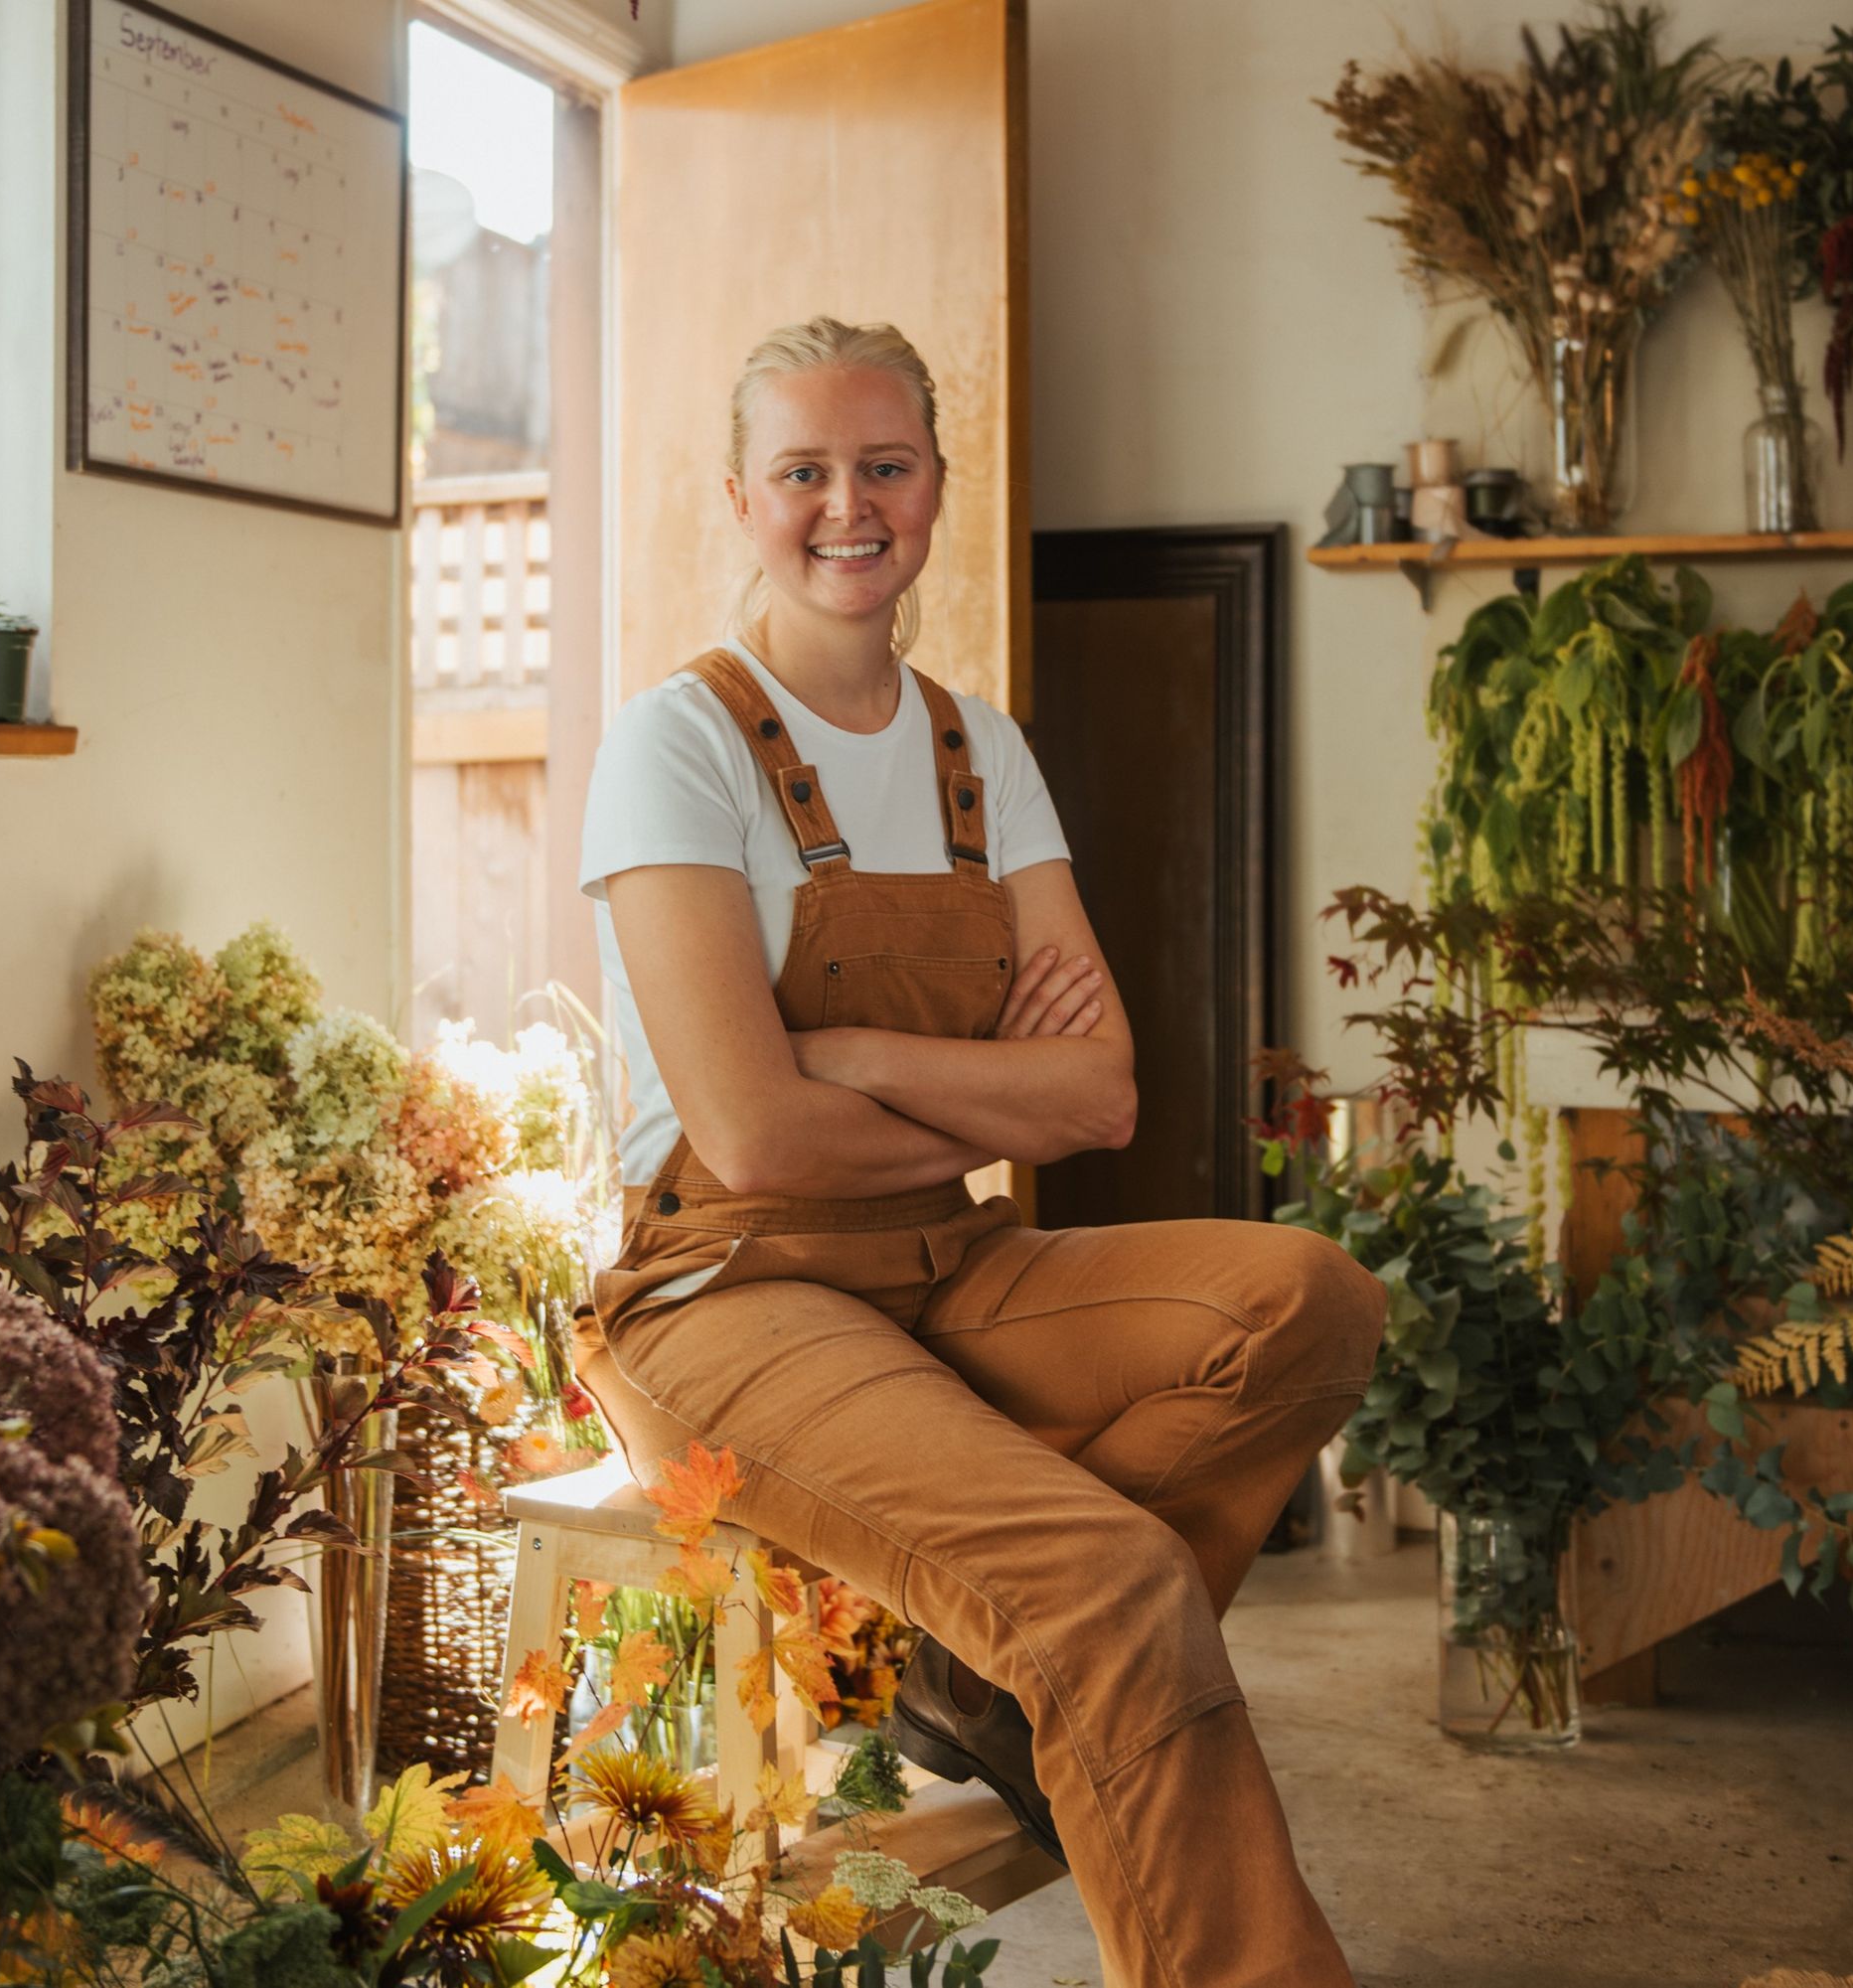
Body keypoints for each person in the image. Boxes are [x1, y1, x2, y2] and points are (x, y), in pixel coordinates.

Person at [571, 313, 1386, 1988]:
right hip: (727, 1289)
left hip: (952, 1258)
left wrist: (859, 1052)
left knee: (1308, 1301)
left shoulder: (977, 748)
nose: (846, 505)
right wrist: (978, 1081)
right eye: (804, 470)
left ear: (936, 485)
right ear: (741, 495)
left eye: (886, 465)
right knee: (1108, 1574)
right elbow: (748, 1127)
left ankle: (984, 1682)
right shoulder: (681, 743)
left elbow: (1098, 1101)